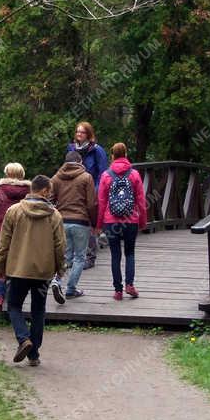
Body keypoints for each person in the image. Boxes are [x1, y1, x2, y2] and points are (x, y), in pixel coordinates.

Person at [0, 175, 66, 366]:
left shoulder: (13, 211)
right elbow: (60, 245)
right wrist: (60, 268)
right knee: (38, 310)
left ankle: (23, 339)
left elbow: (4, 243)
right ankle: (33, 354)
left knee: (14, 306)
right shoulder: (54, 215)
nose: (50, 195)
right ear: (43, 191)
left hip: (17, 269)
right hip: (43, 271)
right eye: (49, 191)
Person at [95, 142, 147, 301]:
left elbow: (102, 201)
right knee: (130, 253)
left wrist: (99, 224)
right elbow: (141, 200)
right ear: (125, 154)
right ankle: (129, 285)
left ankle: (118, 290)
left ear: (112, 155)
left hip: (111, 222)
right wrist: (142, 220)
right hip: (130, 220)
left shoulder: (106, 175)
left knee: (115, 255)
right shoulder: (134, 174)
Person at [49, 151, 97, 301]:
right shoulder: (86, 177)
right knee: (80, 257)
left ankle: (57, 280)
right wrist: (94, 223)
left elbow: (49, 200)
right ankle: (70, 289)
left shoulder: (56, 178)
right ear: (80, 161)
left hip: (62, 221)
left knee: (65, 257)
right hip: (81, 221)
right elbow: (91, 203)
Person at [0, 163, 31, 311]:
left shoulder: (0, 192)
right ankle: (15, 296)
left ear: (7, 175)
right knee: (19, 262)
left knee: (1, 263)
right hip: (23, 233)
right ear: (21, 175)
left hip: (1, 231)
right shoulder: (29, 192)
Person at [66, 121, 108, 268]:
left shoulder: (97, 150)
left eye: (82, 132)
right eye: (77, 131)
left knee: (89, 223)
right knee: (72, 221)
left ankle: (89, 257)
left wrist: (95, 191)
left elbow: (103, 173)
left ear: (88, 134)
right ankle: (70, 258)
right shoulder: (71, 148)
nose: (79, 134)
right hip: (73, 191)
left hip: (91, 190)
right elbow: (67, 169)